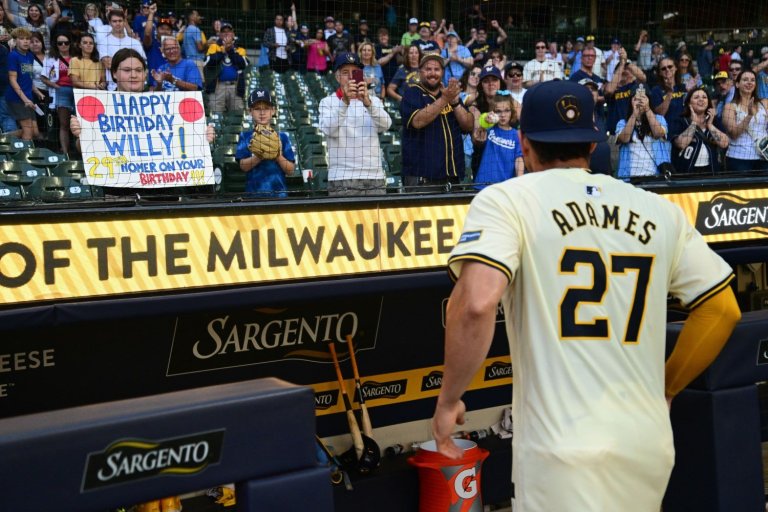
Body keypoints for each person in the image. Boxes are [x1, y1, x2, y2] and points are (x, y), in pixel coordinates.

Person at [431, 78, 741, 512]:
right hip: (646, 443)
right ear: (593, 146)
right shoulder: (658, 208)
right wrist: (665, 390)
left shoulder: (507, 200)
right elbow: (722, 310)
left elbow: (477, 303)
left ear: (524, 143)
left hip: (561, 450)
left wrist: (448, 401)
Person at [319, 52, 391, 196]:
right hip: (342, 177)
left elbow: (386, 124)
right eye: (345, 72)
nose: (351, 76)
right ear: (337, 76)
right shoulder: (327, 102)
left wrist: (368, 103)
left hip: (374, 177)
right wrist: (345, 102)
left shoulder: (373, 101)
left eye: (355, 72)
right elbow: (328, 129)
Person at [400, 53, 473, 190]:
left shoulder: (449, 95)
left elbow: (468, 125)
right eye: (428, 69)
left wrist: (456, 102)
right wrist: (445, 99)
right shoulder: (412, 93)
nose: (432, 73)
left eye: (437, 69)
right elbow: (417, 121)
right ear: (420, 72)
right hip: (422, 179)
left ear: (443, 72)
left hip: (452, 178)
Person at [235, 88, 296, 197]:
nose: (262, 113)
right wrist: (261, 154)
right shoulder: (245, 136)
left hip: (279, 195)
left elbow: (290, 170)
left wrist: (277, 155)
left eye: (266, 108)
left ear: (273, 111)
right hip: (254, 196)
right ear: (250, 112)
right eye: (257, 109)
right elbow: (243, 166)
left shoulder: (282, 137)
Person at [669, 87, 729, 174]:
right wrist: (693, 123)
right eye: (696, 97)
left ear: (708, 102)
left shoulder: (715, 120)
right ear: (689, 103)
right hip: (686, 172)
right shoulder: (680, 120)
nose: (701, 100)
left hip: (711, 171)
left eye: (704, 97)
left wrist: (710, 125)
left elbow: (724, 144)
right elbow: (681, 144)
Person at [472, 90, 523, 188]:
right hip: (482, 185)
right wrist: (486, 120)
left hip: (504, 188)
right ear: (493, 112)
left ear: (512, 111)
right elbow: (479, 132)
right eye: (498, 111)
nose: (503, 115)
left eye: (507, 110)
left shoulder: (516, 135)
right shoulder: (489, 129)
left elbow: (519, 159)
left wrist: (520, 181)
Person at [616, 88, 670, 178]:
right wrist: (634, 114)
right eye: (636, 99)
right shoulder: (622, 123)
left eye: (643, 98)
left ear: (648, 101)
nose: (640, 101)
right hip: (629, 177)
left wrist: (647, 109)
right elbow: (624, 139)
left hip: (655, 176)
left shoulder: (659, 119)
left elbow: (657, 133)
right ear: (631, 102)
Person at [722, 69, 768, 171]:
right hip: (739, 158)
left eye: (752, 80)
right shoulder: (730, 107)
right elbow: (733, 134)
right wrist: (749, 116)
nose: (749, 83)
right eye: (745, 80)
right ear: (737, 84)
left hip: (764, 157)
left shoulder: (764, 103)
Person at [41, 31, 73, 154]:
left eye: (66, 42)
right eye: (60, 43)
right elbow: (43, 77)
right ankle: (65, 152)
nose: (63, 45)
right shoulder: (51, 58)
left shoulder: (77, 57)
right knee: (64, 124)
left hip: (77, 90)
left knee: (78, 123)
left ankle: (77, 150)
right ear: (56, 44)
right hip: (61, 91)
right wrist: (56, 86)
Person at [204, 22, 247, 114]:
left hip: (235, 87)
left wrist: (230, 50)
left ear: (233, 34)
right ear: (219, 34)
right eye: (223, 32)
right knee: (215, 115)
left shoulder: (240, 48)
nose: (226, 33)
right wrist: (223, 50)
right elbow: (211, 62)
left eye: (229, 31)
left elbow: (242, 64)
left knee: (237, 115)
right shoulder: (213, 46)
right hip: (218, 87)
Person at [98, 8, 146, 90]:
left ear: (124, 22)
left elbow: (143, 65)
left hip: (136, 87)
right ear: (110, 23)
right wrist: (132, 63)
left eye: (120, 21)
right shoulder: (103, 42)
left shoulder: (135, 42)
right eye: (114, 21)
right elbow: (108, 64)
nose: (117, 23)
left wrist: (118, 62)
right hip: (114, 87)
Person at [6, 27, 37, 141]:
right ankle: (23, 157)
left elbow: (28, 76)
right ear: (15, 41)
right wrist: (25, 100)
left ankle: (4, 138)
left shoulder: (30, 56)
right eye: (22, 38)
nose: (25, 41)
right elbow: (12, 80)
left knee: (35, 132)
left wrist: (36, 91)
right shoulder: (13, 56)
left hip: (28, 96)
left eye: (28, 39)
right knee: (28, 132)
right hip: (16, 98)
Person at [651, 57, 687, 126]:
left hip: (684, 130)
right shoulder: (656, 90)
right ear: (660, 73)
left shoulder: (684, 87)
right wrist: (669, 93)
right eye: (663, 68)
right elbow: (660, 114)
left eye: (670, 67)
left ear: (676, 68)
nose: (667, 69)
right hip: (666, 131)